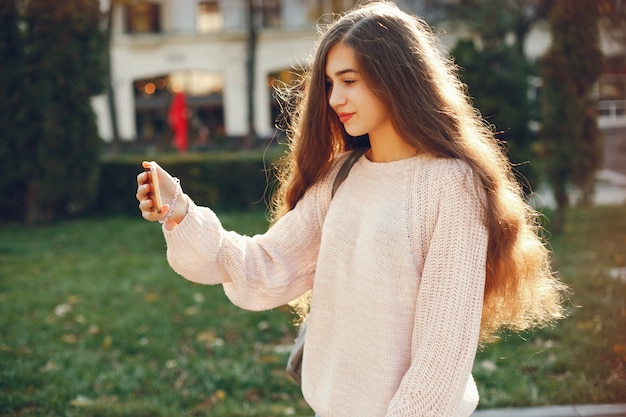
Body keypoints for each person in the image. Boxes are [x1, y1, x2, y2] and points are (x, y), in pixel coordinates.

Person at [136, 2, 566, 416]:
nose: (334, 97)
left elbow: (443, 352)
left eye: (349, 80)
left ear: (396, 77)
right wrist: (179, 212)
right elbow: (261, 269)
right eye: (329, 83)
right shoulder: (341, 174)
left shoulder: (452, 185)